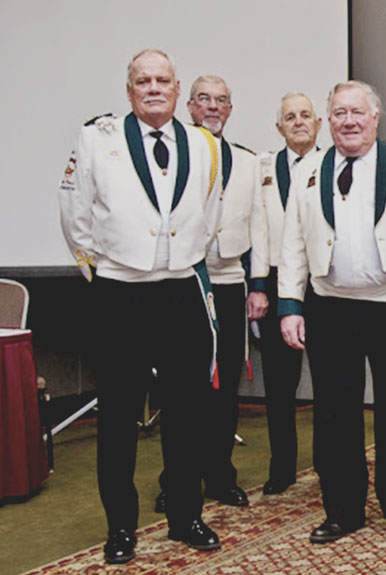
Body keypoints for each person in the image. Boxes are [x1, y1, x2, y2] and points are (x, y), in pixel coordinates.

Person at [57, 48, 222, 564]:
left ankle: (185, 516)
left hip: (180, 292)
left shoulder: (202, 143)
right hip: (120, 293)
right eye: (143, 81)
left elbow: (208, 211)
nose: (153, 88)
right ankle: (121, 528)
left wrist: (181, 257)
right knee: (118, 417)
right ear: (129, 91)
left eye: (162, 80)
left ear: (177, 90)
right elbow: (75, 211)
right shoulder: (97, 139)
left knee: (187, 414)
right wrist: (102, 266)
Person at [277, 80, 386, 546]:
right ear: (329, 120)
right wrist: (290, 305)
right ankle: (343, 511)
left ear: (375, 117)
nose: (348, 121)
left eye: (357, 112)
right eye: (340, 113)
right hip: (329, 307)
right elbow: (293, 242)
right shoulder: (310, 169)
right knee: (334, 414)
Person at [152, 75, 266, 513]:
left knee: (225, 387)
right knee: (181, 390)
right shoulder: (173, 153)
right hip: (183, 283)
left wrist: (258, 284)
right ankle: (175, 481)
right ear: (190, 106)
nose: (212, 107)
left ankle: (220, 476)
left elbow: (259, 227)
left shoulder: (249, 162)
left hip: (230, 281)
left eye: (221, 100)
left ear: (230, 109)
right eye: (204, 99)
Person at [250, 92, 321, 496]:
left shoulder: (333, 164)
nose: (298, 122)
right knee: (279, 385)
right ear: (279, 127)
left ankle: (329, 464)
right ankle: (282, 469)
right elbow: (258, 231)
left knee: (329, 382)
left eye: (305, 115)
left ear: (319, 123)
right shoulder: (263, 169)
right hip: (278, 284)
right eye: (290, 117)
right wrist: (259, 286)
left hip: (323, 283)